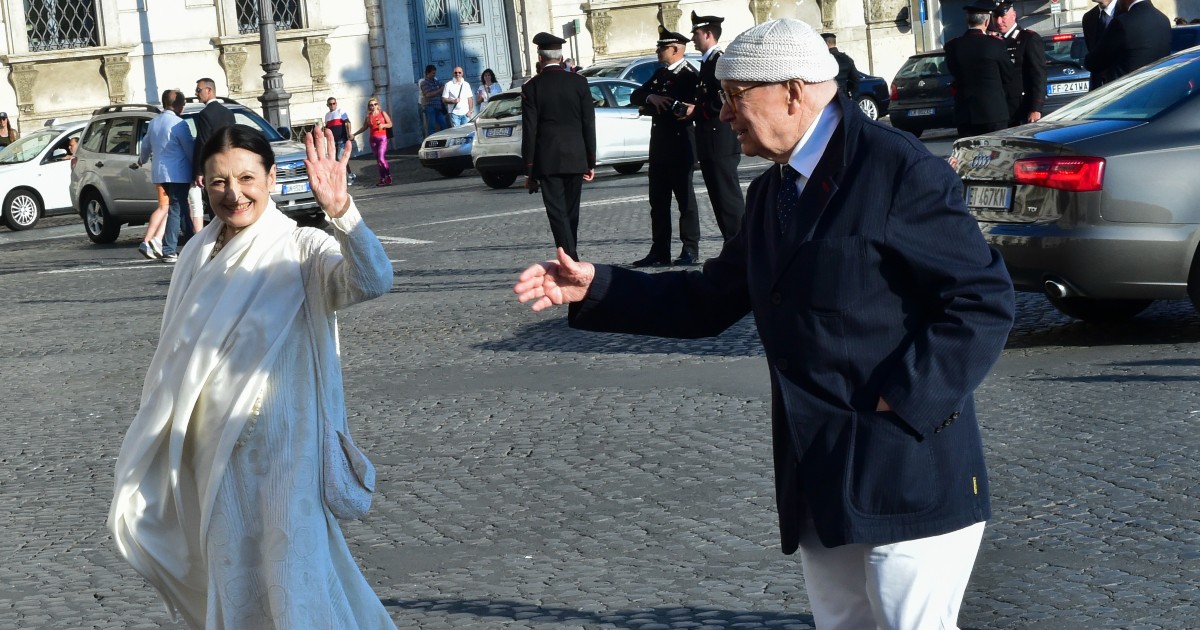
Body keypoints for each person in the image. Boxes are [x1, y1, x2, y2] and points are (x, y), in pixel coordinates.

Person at [513, 18, 1015, 629]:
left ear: (793, 92)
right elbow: (709, 300)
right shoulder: (775, 190)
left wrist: (906, 401)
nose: (723, 115)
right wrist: (600, 285)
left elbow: (982, 299)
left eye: (734, 99)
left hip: (905, 465)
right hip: (820, 471)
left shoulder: (898, 170)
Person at [107, 124, 396, 629]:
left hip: (286, 452)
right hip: (211, 455)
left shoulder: (301, 247)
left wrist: (342, 213)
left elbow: (373, 280)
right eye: (219, 182)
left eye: (246, 177)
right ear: (202, 183)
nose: (233, 193)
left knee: (295, 576)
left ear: (269, 176)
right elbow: (175, 353)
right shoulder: (196, 253)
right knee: (235, 577)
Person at [522, 32, 597, 262]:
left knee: (557, 214)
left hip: (548, 160)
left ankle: (570, 258)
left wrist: (530, 169)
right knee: (571, 212)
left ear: (540, 57)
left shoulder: (532, 87)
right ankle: (570, 255)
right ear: (561, 56)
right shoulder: (579, 82)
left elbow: (530, 130)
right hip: (576, 157)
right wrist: (590, 160)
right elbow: (588, 123)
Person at [630, 26, 701, 267]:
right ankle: (659, 251)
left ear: (675, 49)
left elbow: (684, 110)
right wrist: (651, 99)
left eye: (661, 47)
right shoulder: (661, 75)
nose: (658, 51)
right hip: (659, 149)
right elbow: (636, 95)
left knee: (685, 202)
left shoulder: (689, 76)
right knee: (658, 204)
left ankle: (690, 249)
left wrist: (652, 107)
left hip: (680, 147)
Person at [685, 11, 746, 243]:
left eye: (697, 33)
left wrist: (698, 110)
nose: (693, 38)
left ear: (709, 34)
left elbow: (723, 97)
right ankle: (733, 244)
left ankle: (741, 244)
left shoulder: (718, 60)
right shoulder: (708, 61)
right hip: (710, 140)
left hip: (719, 139)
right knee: (718, 197)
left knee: (727, 198)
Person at [134, 89, 196, 263]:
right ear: (177, 105)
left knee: (181, 207)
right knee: (177, 208)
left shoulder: (154, 122)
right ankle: (169, 249)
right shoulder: (179, 123)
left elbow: (146, 145)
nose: (183, 108)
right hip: (178, 172)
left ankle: (192, 242)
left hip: (160, 172)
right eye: (183, 104)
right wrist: (197, 167)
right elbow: (189, 148)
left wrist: (142, 159)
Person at [945, 1, 1016, 137]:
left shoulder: (952, 45)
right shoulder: (995, 44)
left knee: (969, 154)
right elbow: (1008, 75)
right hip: (993, 112)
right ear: (987, 21)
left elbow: (953, 71)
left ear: (967, 20)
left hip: (966, 112)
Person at [191, 78, 235, 247]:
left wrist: (199, 171)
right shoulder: (228, 113)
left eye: (198, 90)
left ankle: (218, 238)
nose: (196, 94)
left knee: (214, 201)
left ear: (209, 90)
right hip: (229, 163)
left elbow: (202, 143)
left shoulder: (205, 115)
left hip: (214, 166)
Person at [1084, 0, 1171, 85]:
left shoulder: (1123, 21)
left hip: (1127, 91)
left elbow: (1093, 62)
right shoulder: (1164, 19)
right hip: (1157, 90)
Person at [992, 1, 1047, 125]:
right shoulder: (995, 41)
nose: (999, 21)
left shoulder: (1028, 38)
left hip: (1021, 107)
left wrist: (1036, 108)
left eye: (1003, 17)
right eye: (995, 17)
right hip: (1001, 108)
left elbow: (1039, 75)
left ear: (1013, 15)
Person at [352, 97, 393, 186]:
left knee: (382, 159)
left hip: (382, 138)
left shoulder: (382, 113)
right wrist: (354, 134)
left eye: (375, 104)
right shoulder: (368, 116)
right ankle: (382, 178)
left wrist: (383, 125)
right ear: (369, 107)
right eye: (371, 105)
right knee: (378, 160)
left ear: (378, 105)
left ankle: (388, 176)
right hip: (373, 139)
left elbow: (390, 124)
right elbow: (364, 127)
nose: (373, 106)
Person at [1082, 0, 1119, 90]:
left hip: (1124, 84)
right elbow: (1092, 52)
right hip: (1098, 87)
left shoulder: (1128, 12)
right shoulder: (1089, 17)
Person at [819, 33, 860, 99]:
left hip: (827, 99)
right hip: (843, 98)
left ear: (826, 43)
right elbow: (856, 79)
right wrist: (847, 90)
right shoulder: (847, 59)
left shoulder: (822, 59)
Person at [420, 64, 449, 135]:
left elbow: (443, 86)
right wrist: (439, 90)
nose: (434, 75)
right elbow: (428, 94)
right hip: (430, 107)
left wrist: (439, 89)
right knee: (431, 126)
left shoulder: (436, 81)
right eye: (433, 73)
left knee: (443, 124)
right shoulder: (424, 83)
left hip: (438, 107)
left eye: (435, 73)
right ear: (427, 73)